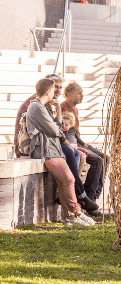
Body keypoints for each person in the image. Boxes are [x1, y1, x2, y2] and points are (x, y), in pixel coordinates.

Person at [25, 78, 93, 226]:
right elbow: (55, 130)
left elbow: (60, 126)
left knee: (64, 182)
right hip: (46, 150)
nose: (56, 93)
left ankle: (70, 217)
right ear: (48, 91)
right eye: (54, 90)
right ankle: (77, 212)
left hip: (53, 149)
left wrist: (59, 109)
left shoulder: (44, 107)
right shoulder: (37, 107)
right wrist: (58, 129)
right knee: (69, 179)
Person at [60, 82, 107, 202]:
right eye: (79, 93)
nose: (82, 96)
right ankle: (88, 198)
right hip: (69, 144)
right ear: (69, 94)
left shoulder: (75, 109)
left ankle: (94, 196)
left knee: (106, 158)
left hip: (78, 141)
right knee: (98, 160)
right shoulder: (61, 108)